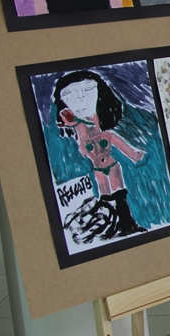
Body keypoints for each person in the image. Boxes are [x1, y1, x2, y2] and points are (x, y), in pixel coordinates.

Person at [53, 70, 145, 242]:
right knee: (105, 194)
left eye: (88, 90)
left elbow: (117, 142)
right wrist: (72, 123)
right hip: (98, 168)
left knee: (119, 192)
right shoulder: (79, 131)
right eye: (69, 94)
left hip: (111, 165)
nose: (80, 99)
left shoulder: (106, 134)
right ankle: (113, 225)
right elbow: (79, 133)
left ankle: (127, 224)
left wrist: (134, 155)